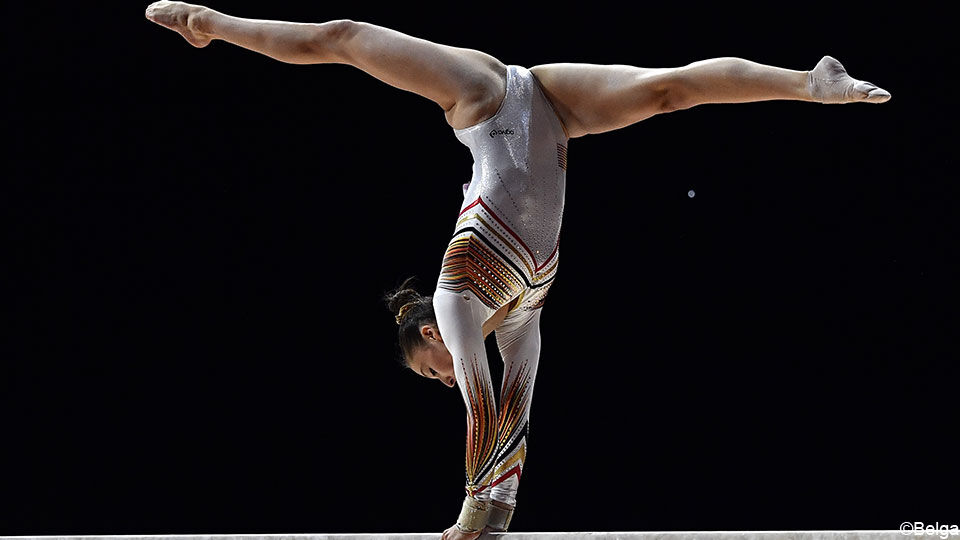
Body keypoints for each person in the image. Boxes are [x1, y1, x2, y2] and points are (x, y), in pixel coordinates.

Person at [144, 2, 891, 538]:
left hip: (484, 98)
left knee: (343, 36)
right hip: (555, 106)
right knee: (671, 92)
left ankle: (209, 24)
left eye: (428, 368)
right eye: (437, 376)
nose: (443, 377)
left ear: (432, 333)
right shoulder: (525, 310)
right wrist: (498, 511)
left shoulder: (456, 297)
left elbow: (481, 404)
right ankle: (811, 81)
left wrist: (471, 515)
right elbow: (517, 408)